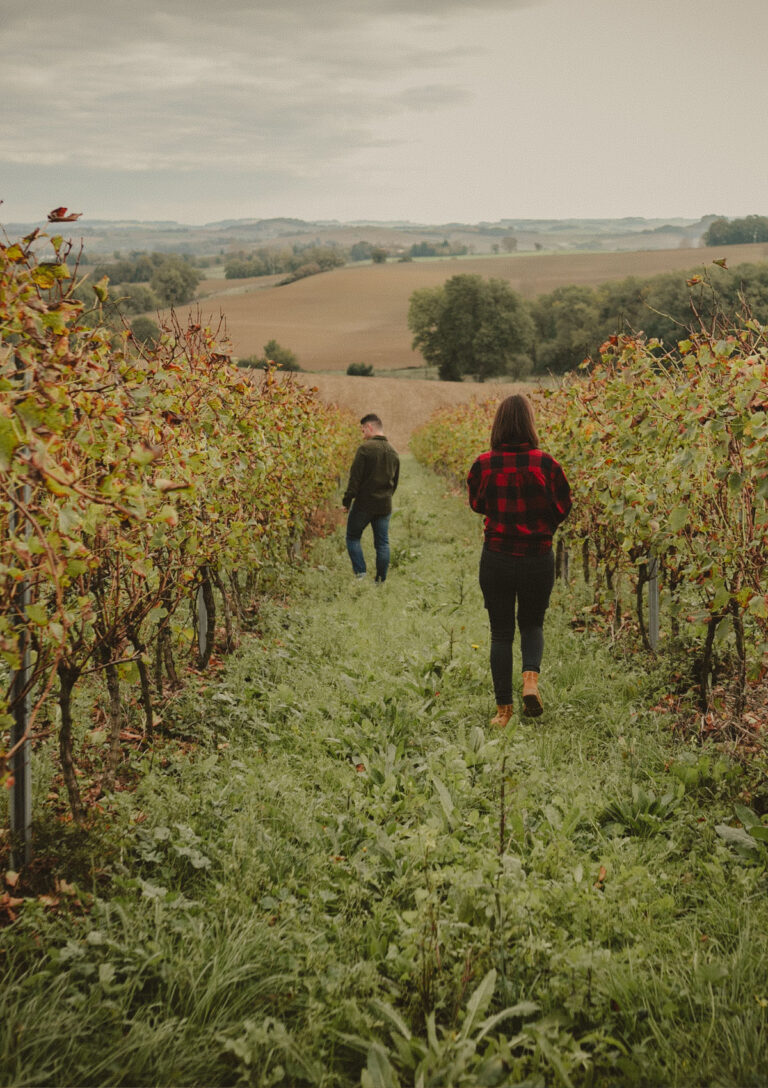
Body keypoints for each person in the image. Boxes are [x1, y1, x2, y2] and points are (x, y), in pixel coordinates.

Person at [467, 393, 571, 727]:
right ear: (529, 423)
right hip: (537, 557)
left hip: (496, 556)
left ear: (498, 424)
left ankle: (503, 711)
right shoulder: (546, 463)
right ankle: (530, 681)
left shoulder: (484, 463)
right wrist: (542, 526)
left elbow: (477, 504)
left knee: (500, 633)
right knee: (532, 623)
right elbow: (564, 506)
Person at [342, 413, 400, 583]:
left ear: (369, 427)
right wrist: (386, 497)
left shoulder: (365, 449)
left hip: (364, 505)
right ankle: (380, 581)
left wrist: (347, 501)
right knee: (382, 543)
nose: (363, 435)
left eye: (363, 430)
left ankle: (361, 574)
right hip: (384, 506)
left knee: (352, 537)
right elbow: (394, 482)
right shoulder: (393, 452)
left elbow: (355, 479)